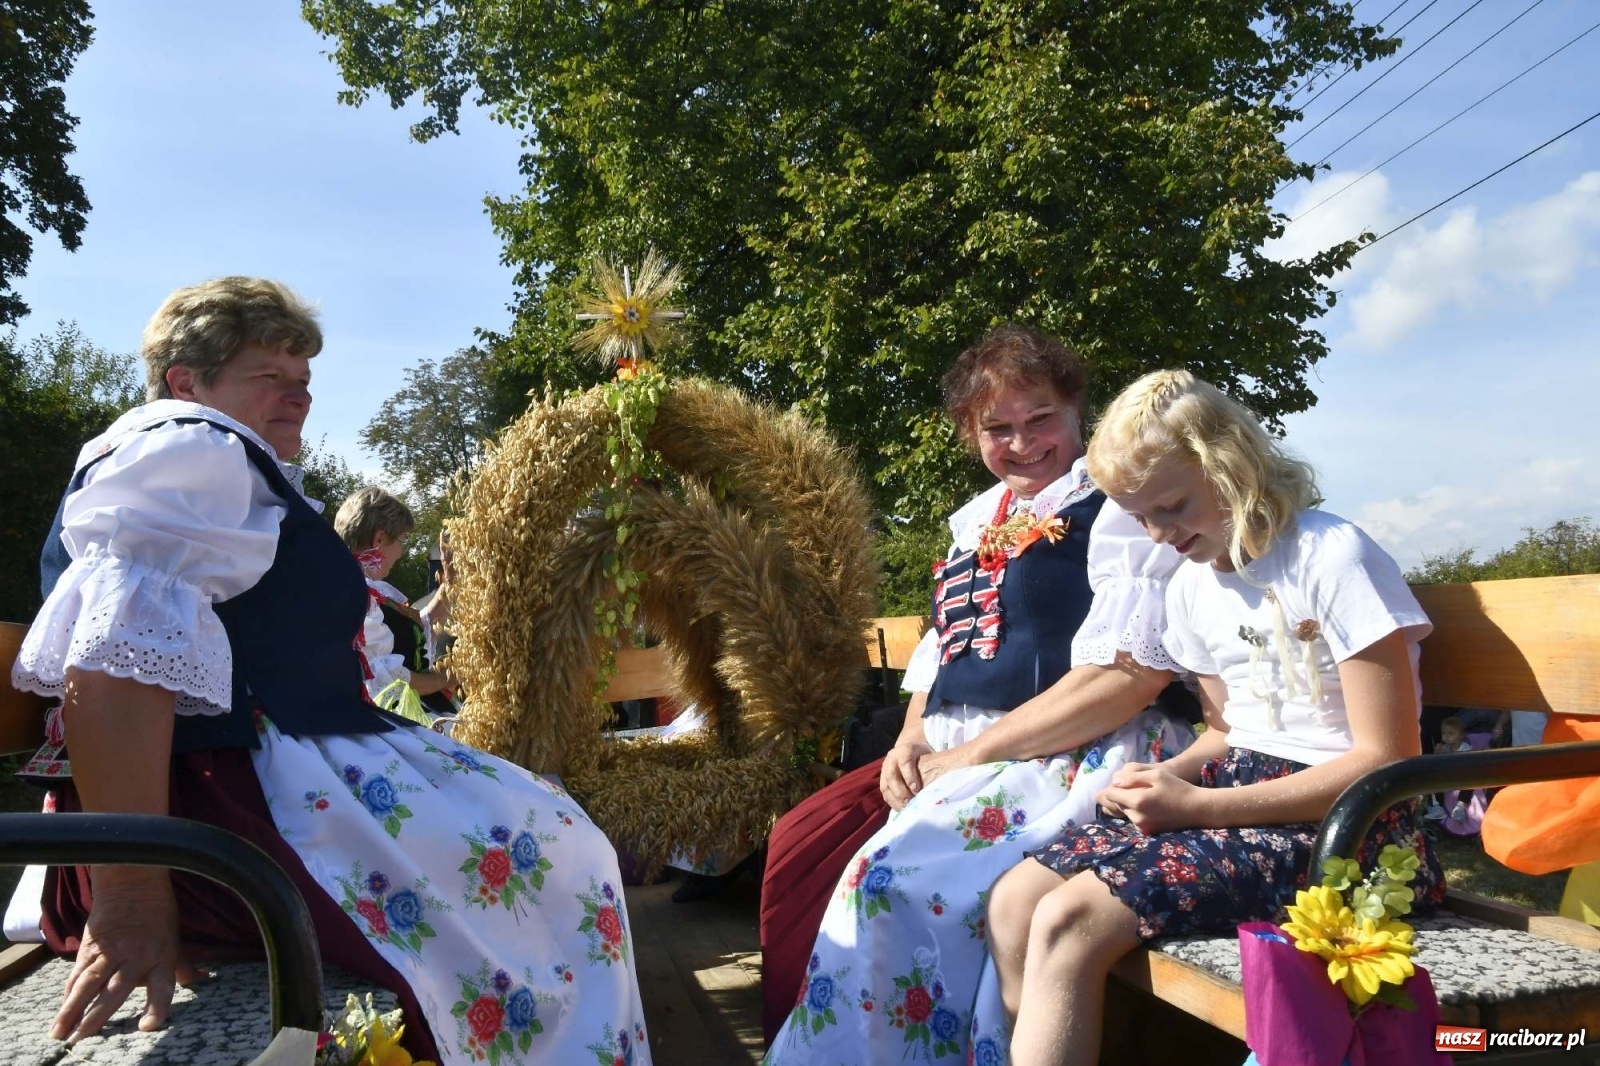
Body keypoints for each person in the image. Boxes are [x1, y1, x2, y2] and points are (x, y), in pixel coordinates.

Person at [10, 277, 651, 1064]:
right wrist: (134, 894)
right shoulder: (186, 447)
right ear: (189, 382)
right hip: (224, 826)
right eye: (269, 377)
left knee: (557, 838)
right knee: (557, 854)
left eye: (305, 382)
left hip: (254, 783)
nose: (297, 397)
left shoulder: (224, 462)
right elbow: (113, 668)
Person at [983, 370, 1444, 1066]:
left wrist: (1198, 806)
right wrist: (1161, 778)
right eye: (1139, 519)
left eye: (1172, 506)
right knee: (1016, 899)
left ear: (1231, 466)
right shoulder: (1192, 587)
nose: (1160, 534)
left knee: (1070, 919)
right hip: (1238, 801)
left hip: (1352, 829)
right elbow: (1227, 733)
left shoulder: (1331, 557)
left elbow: (1388, 758)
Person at [762, 327, 1196, 1062]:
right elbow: (944, 651)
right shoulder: (976, 524)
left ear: (1076, 413)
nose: (1023, 444)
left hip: (1074, 751)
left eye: (1041, 420)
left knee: (889, 880)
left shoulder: (1119, 508)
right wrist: (908, 740)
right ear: (971, 434)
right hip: (965, 755)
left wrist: (971, 754)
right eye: (999, 428)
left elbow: (1133, 676)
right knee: (800, 847)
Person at [333, 486, 459, 724]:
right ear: (380, 538)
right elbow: (382, 676)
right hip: (385, 717)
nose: (401, 552)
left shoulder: (366, 589)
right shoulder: (351, 593)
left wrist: (449, 584)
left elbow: (415, 636)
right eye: (402, 540)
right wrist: (445, 678)